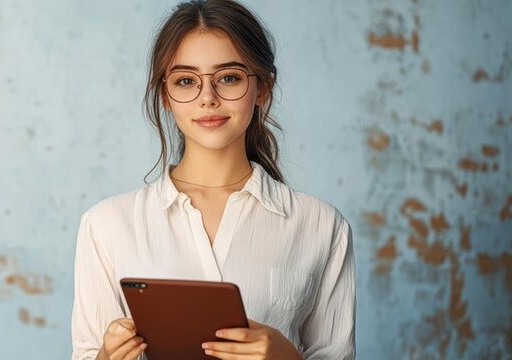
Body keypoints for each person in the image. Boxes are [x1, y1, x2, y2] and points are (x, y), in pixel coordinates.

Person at [70, 1, 356, 359]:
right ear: (166, 97)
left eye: (229, 78)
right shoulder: (107, 225)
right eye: (186, 81)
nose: (208, 98)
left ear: (262, 89)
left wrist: (288, 357)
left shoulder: (322, 226)